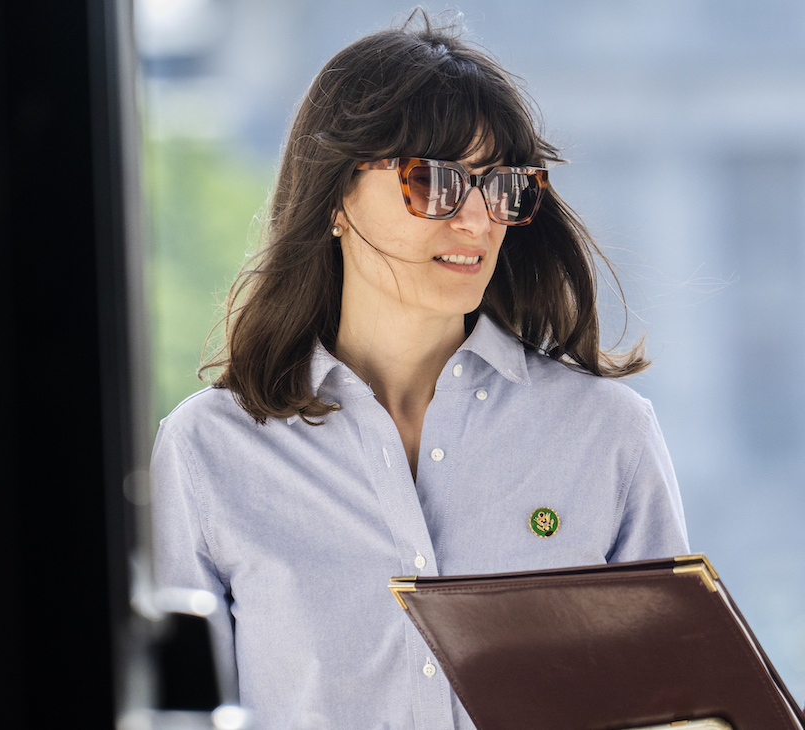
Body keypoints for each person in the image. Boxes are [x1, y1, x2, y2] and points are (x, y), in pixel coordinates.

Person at [150, 12, 689, 730]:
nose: (475, 222)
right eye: (432, 182)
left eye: (500, 186)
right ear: (337, 194)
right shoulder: (207, 453)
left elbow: (677, 709)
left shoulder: (609, 437)